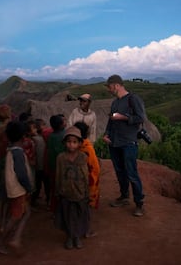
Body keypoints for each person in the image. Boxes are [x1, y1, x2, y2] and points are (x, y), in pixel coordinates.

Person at [102, 74, 147, 217]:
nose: (109, 90)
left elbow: (141, 118)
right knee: (120, 172)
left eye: (109, 87)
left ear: (116, 85)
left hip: (128, 142)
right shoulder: (115, 102)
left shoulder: (133, 99)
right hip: (114, 142)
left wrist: (124, 117)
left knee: (131, 173)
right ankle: (124, 196)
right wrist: (106, 134)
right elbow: (111, 120)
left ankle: (139, 203)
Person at [0, 121, 34, 256]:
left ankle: (15, 236)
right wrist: (29, 187)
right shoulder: (18, 153)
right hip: (19, 190)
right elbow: (21, 174)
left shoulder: (11, 150)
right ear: (23, 137)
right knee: (17, 216)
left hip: (14, 189)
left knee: (25, 212)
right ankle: (3, 242)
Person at [54, 126, 90, 250]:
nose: (71, 145)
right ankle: (70, 236)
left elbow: (86, 175)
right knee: (67, 215)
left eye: (74, 142)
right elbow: (58, 175)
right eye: (69, 142)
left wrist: (87, 192)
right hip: (66, 193)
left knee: (79, 215)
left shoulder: (83, 157)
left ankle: (77, 237)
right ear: (65, 143)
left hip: (80, 193)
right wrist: (58, 190)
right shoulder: (61, 158)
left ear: (79, 143)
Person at [74, 121, 100, 238]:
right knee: (86, 209)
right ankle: (85, 230)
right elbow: (94, 167)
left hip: (76, 182)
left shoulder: (74, 147)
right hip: (87, 183)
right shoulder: (87, 148)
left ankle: (75, 229)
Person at [47, 114, 66, 212]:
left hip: (53, 167)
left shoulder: (51, 136)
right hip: (63, 168)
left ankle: (54, 209)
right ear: (61, 125)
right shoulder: (64, 135)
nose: (65, 122)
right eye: (64, 121)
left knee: (54, 189)